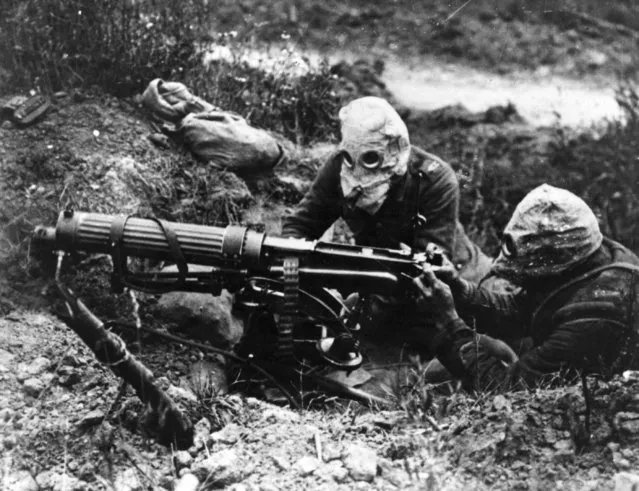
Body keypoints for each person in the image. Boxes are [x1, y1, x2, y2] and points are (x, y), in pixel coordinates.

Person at [413, 184, 639, 390]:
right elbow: (521, 310)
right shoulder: (588, 257)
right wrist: (461, 291)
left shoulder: (596, 315)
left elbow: (507, 389)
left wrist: (450, 323)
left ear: (556, 264)